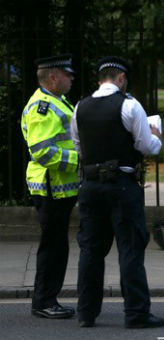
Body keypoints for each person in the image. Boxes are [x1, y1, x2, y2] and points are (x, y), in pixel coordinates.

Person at [71, 56, 164, 328]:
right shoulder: (130, 105)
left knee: (90, 250)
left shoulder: (80, 107)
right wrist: (155, 133)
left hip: (90, 186)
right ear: (121, 78)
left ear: (101, 79)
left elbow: (79, 148)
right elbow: (147, 147)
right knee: (130, 249)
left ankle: (86, 313)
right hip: (122, 185)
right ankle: (136, 313)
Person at [21, 54, 80, 319]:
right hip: (49, 188)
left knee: (57, 245)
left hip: (59, 188)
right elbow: (44, 152)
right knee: (52, 246)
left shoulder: (57, 101)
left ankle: (48, 298)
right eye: (68, 74)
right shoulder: (42, 107)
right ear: (53, 77)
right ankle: (44, 301)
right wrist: (81, 161)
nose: (72, 78)